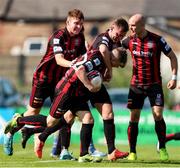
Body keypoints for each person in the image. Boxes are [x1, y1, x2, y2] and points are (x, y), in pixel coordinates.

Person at [4, 47, 126, 162]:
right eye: (117, 65)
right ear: (114, 59)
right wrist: (90, 86)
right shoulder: (98, 59)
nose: (115, 67)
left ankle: (84, 155)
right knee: (50, 122)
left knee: (88, 119)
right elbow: (80, 70)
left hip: (76, 93)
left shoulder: (99, 58)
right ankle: (19, 120)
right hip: (67, 90)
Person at [3, 9, 86, 159]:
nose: (79, 27)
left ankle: (64, 151)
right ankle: (11, 131)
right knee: (33, 112)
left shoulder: (80, 38)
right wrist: (74, 64)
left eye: (81, 24)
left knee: (67, 115)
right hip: (43, 79)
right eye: (76, 23)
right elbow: (59, 60)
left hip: (60, 82)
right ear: (67, 22)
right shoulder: (58, 36)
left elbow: (84, 57)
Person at [122, 14, 178, 161]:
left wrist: (174, 78)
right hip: (136, 85)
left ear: (142, 25)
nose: (131, 28)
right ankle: (132, 152)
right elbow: (112, 48)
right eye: (130, 25)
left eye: (133, 25)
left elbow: (173, 57)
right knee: (134, 117)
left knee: (158, 115)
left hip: (154, 85)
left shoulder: (157, 40)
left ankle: (163, 148)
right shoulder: (128, 40)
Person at [88, 17, 129, 161]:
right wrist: (109, 70)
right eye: (118, 33)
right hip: (84, 80)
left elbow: (123, 47)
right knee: (63, 118)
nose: (119, 37)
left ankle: (112, 152)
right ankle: (39, 133)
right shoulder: (104, 38)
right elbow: (103, 50)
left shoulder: (116, 41)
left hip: (96, 83)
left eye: (121, 36)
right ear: (111, 27)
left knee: (108, 113)